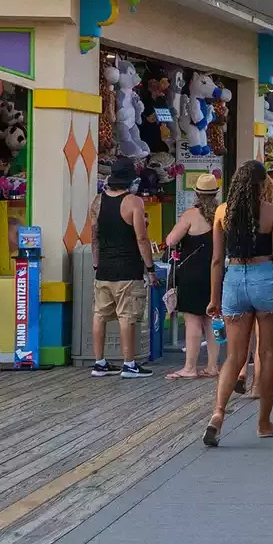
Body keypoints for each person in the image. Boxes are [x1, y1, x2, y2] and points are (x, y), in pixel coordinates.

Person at [202, 160, 273, 445]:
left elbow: (216, 259)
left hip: (234, 281)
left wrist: (214, 298)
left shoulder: (221, 212)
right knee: (268, 355)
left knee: (234, 356)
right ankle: (264, 423)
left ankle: (217, 414)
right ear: (263, 184)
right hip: (265, 278)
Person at [90, 157, 156, 378]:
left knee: (100, 315)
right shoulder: (134, 202)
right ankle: (129, 364)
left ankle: (99, 362)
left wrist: (96, 262)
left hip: (104, 270)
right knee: (126, 316)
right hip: (128, 269)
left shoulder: (98, 201)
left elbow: (95, 237)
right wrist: (151, 268)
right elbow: (142, 239)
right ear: (130, 179)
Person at [165, 172, 222, 379]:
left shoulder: (190, 215)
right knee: (212, 321)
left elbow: (171, 240)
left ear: (196, 194)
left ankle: (189, 368)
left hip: (191, 275)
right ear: (215, 194)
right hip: (215, 274)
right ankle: (213, 366)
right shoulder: (222, 214)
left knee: (193, 322)